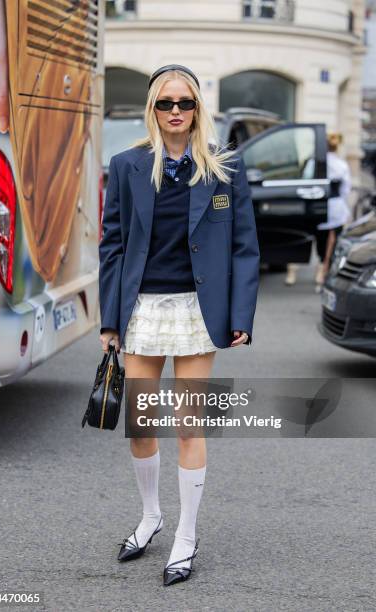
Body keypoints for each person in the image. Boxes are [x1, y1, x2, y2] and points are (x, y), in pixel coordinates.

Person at [98, 64, 260, 586]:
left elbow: (243, 248)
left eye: (184, 103)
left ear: (197, 109)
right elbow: (113, 246)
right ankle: (151, 517)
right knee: (142, 425)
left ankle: (186, 535)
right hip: (141, 308)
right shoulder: (125, 166)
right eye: (165, 103)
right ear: (152, 109)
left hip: (197, 310)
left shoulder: (225, 170)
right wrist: (109, 320)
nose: (174, 112)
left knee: (190, 424)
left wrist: (240, 317)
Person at [284, 132, 352, 289]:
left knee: (306, 236)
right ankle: (322, 271)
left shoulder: (313, 162)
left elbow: (305, 181)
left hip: (313, 205)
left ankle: (293, 270)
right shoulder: (341, 165)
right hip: (334, 206)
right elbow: (345, 190)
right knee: (329, 241)